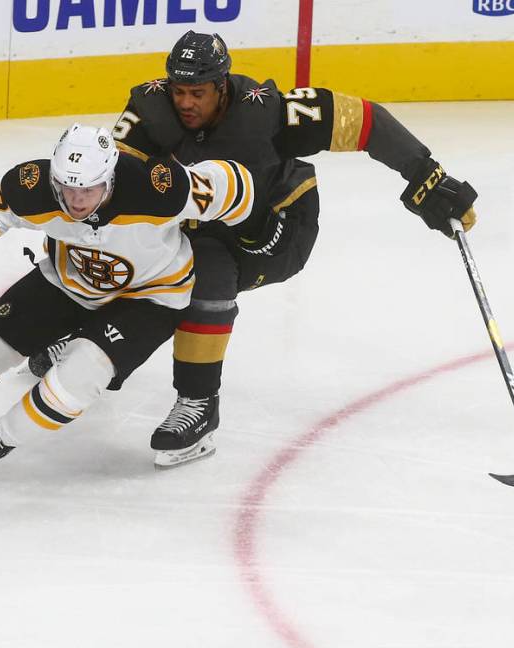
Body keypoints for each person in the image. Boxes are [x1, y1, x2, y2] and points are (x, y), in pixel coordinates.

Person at [29, 31, 478, 467]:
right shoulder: (150, 111)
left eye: (198, 92)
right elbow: (112, 188)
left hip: (277, 228)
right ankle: (94, 340)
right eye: (179, 91)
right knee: (114, 231)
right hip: (202, 217)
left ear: (222, 86)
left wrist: (425, 176)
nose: (185, 103)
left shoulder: (268, 113)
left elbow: (366, 120)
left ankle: (198, 404)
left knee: (205, 268)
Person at [0, 123, 256, 475]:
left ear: (110, 178)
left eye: (88, 188)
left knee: (78, 376)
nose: (75, 200)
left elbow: (236, 184)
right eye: (67, 188)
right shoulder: (34, 185)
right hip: (66, 284)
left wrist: (255, 232)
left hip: (149, 297)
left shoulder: (158, 190)